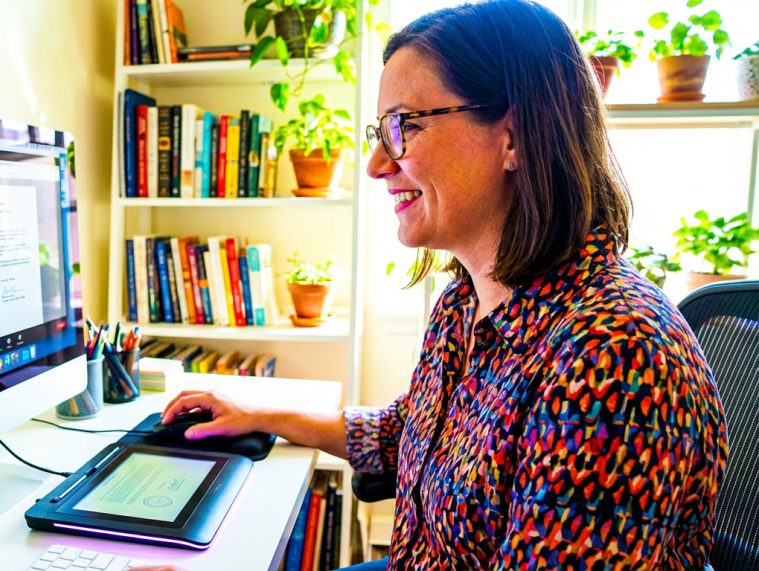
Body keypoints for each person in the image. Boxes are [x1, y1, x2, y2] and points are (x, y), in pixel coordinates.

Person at [143, 1, 728, 569]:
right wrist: (262, 414)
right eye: (381, 130)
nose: (375, 164)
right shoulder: (465, 303)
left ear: (515, 136)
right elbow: (416, 435)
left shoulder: (614, 359)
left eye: (404, 126)